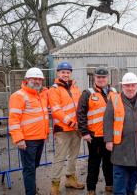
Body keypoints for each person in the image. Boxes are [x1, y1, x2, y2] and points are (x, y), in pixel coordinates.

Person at [103, 72, 137, 195]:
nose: (130, 88)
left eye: (132, 85)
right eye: (127, 86)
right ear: (122, 87)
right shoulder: (114, 100)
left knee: (134, 174)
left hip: (136, 145)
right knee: (119, 176)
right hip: (120, 146)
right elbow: (107, 120)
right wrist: (108, 140)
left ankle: (131, 192)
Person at [8, 67, 49, 195]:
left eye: (39, 79)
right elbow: (14, 120)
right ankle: (30, 192)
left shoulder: (41, 95)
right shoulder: (18, 96)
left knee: (34, 166)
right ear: (27, 79)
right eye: (34, 79)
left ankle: (32, 188)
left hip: (40, 138)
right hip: (27, 140)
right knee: (29, 169)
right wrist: (19, 139)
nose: (37, 81)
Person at [76, 66, 115, 195]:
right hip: (94, 136)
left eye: (103, 77)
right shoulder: (87, 93)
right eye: (99, 77)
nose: (101, 79)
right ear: (94, 78)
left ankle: (110, 185)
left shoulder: (114, 92)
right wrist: (84, 132)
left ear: (107, 78)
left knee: (109, 162)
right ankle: (91, 189)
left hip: (110, 135)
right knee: (94, 163)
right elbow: (80, 114)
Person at [49, 61, 85, 195]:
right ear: (58, 73)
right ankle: (55, 185)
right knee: (60, 157)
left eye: (68, 72)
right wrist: (71, 123)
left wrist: (81, 124)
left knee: (73, 156)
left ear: (71, 74)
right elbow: (56, 111)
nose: (65, 74)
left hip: (76, 129)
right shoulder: (54, 89)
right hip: (63, 130)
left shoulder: (75, 88)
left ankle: (70, 179)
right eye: (63, 72)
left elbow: (81, 107)